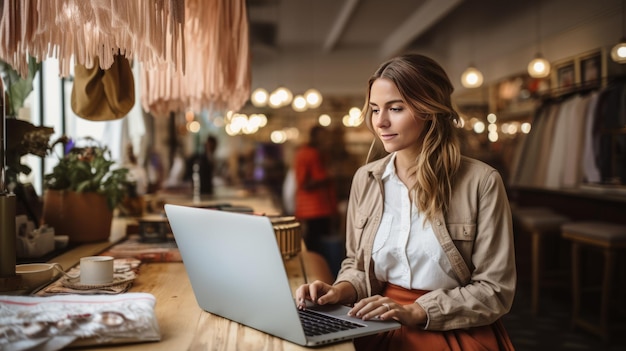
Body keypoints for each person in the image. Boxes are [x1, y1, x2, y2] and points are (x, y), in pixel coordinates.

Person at [296, 54, 516, 351]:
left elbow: (495, 291)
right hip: (377, 321)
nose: (380, 122)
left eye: (395, 108)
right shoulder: (366, 179)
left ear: (429, 109)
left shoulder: (482, 182)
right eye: (375, 110)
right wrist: (339, 291)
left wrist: (416, 311)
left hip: (453, 327)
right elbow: (357, 267)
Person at [294, 126, 338, 258]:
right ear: (316, 137)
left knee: (317, 245)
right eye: (324, 136)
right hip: (314, 209)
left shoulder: (315, 153)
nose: (327, 139)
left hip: (318, 208)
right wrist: (327, 176)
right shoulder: (309, 153)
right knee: (315, 246)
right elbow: (304, 183)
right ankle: (317, 272)